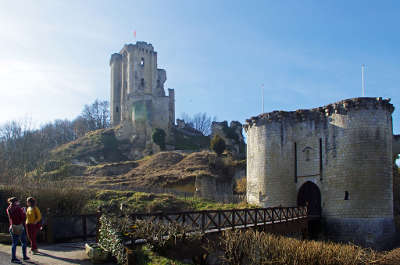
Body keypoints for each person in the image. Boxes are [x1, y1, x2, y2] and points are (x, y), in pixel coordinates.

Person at [6, 197, 29, 263]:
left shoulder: (8, 208)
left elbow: (13, 216)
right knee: (23, 242)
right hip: (19, 226)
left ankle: (13, 257)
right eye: (18, 201)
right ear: (16, 202)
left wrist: (21, 211)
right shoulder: (18, 208)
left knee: (14, 243)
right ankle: (24, 256)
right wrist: (24, 212)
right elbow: (23, 218)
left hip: (12, 226)